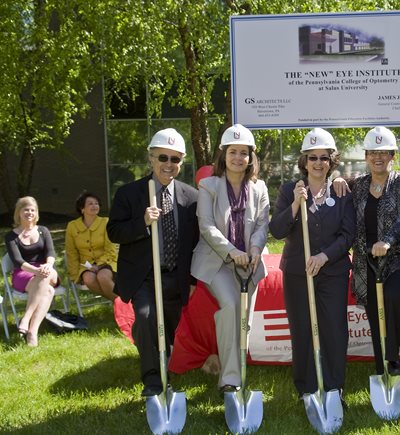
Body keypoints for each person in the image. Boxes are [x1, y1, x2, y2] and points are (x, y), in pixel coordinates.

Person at [107, 128, 199, 397]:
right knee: (147, 318)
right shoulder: (130, 194)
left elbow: (194, 243)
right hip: (144, 276)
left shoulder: (190, 197)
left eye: (175, 159)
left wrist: (192, 280)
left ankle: (162, 368)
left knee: (167, 328)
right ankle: (153, 382)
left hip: (175, 276)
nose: (168, 165)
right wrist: (143, 222)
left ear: (181, 162)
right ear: (151, 159)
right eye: (163, 158)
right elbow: (114, 232)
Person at [269, 128, 355, 403]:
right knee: (302, 329)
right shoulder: (288, 190)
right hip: (297, 272)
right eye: (313, 157)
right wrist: (295, 203)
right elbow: (277, 230)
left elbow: (348, 235)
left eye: (324, 157)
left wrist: (324, 257)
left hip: (333, 271)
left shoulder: (342, 191)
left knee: (334, 328)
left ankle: (333, 386)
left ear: (332, 161)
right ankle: (306, 387)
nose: (318, 163)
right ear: (304, 161)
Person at [190, 124, 269, 392]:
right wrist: (231, 251)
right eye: (233, 152)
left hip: (251, 263)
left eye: (244, 153)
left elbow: (261, 225)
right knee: (230, 306)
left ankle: (234, 365)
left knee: (244, 318)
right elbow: (207, 226)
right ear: (223, 155)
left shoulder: (259, 189)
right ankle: (230, 378)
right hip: (217, 262)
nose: (238, 158)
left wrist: (256, 248)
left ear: (251, 157)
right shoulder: (208, 186)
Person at [349, 126, 400, 376]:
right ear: (366, 156)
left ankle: (393, 357)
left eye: (384, 152)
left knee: (392, 296)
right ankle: (381, 361)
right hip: (366, 260)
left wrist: (387, 242)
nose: (377, 157)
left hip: (397, 257)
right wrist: (338, 180)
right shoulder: (358, 186)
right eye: (372, 152)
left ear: (393, 155)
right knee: (373, 308)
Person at [4, 196, 59, 347]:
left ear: (36, 213)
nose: (29, 213)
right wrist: (35, 270)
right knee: (48, 291)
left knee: (45, 275)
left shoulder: (43, 230)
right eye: (26, 209)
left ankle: (26, 318)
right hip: (23, 272)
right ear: (19, 213)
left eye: (33, 210)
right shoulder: (11, 236)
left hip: (47, 269)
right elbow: (17, 261)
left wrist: (47, 265)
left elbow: (51, 253)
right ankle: (33, 333)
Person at [65, 191, 118, 301]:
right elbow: (71, 253)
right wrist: (75, 276)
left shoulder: (106, 222)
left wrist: (98, 266)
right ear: (82, 208)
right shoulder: (72, 226)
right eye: (90, 203)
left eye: (97, 203)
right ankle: (121, 304)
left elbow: (111, 249)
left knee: (102, 277)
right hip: (86, 266)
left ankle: (121, 305)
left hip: (107, 262)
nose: (95, 206)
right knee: (89, 279)